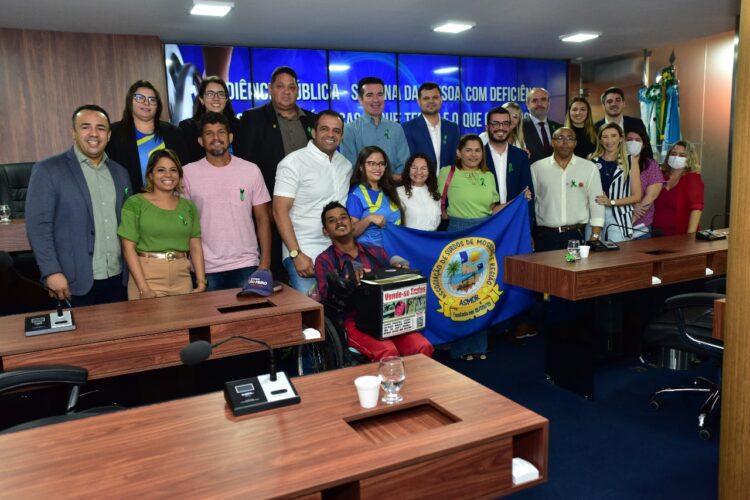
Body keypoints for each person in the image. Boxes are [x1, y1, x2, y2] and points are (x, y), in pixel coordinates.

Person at [26, 105, 132, 306]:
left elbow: (128, 226)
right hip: (72, 282)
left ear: (108, 135)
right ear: (73, 133)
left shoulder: (120, 173)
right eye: (85, 127)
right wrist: (51, 271)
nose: (94, 134)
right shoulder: (48, 170)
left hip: (118, 281)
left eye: (101, 128)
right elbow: (38, 227)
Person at [314, 201, 433, 361]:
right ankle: (392, 386)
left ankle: (416, 386)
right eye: (332, 220)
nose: (339, 222)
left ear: (351, 222)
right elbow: (326, 297)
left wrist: (399, 269)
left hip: (387, 319)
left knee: (422, 346)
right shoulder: (324, 260)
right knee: (387, 351)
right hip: (352, 321)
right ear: (325, 231)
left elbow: (393, 279)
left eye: (343, 217)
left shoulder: (375, 251)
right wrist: (345, 283)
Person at [234, 66, 316, 282]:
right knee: (274, 270)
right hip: (269, 204)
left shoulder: (311, 121)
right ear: (269, 89)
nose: (286, 91)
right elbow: (244, 164)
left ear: (298, 90)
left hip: (307, 209)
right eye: (280, 86)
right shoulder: (252, 119)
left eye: (291, 87)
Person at [182, 112, 271, 290]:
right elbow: (183, 223)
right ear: (201, 141)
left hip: (247, 265)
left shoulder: (251, 170)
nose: (216, 137)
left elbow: (263, 219)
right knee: (211, 319)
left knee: (250, 317)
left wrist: (265, 263)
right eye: (209, 133)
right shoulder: (187, 174)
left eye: (221, 132)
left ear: (230, 137)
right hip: (205, 268)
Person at [273, 110, 352, 295]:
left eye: (336, 130)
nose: (331, 134)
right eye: (324, 129)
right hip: (303, 252)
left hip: (337, 253)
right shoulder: (293, 163)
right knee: (311, 313)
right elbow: (279, 211)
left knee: (338, 314)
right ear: (314, 132)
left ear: (341, 135)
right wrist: (296, 254)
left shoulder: (345, 165)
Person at [438, 134, 501, 360]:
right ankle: (461, 348)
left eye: (477, 150)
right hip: (457, 234)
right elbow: (435, 200)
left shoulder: (488, 176)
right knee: (459, 292)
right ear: (459, 153)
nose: (473, 154)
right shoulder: (447, 173)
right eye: (468, 150)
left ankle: (479, 346)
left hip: (484, 236)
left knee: (481, 292)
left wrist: (519, 201)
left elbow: (493, 208)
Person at [118, 149, 205, 299]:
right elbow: (127, 247)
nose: (168, 175)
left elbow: (195, 245)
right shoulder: (135, 203)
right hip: (147, 280)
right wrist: (143, 288)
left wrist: (201, 281)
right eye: (161, 170)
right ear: (150, 175)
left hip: (182, 279)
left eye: (173, 170)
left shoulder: (188, 206)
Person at [106, 80, 188, 193]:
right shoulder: (114, 133)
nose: (146, 103)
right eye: (140, 98)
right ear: (130, 102)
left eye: (152, 100)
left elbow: (184, 170)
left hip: (170, 200)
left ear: (158, 106)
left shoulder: (174, 133)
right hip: (131, 202)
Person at [531, 127, 604, 251]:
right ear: (552, 142)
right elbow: (531, 203)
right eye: (560, 138)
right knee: (546, 270)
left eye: (570, 138)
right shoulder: (537, 168)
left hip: (576, 235)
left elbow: (596, 202)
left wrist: (595, 235)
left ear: (575, 143)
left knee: (573, 268)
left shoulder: (589, 168)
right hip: (545, 236)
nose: (565, 142)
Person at [341, 76, 410, 178]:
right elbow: (350, 168)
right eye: (369, 95)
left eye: (380, 94)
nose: (376, 100)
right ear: (360, 99)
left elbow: (404, 164)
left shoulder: (396, 128)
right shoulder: (350, 129)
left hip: (394, 189)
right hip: (362, 190)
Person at [588, 123, 642, 242]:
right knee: (591, 254)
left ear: (621, 138)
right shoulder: (592, 159)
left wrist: (611, 202)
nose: (609, 140)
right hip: (594, 214)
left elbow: (637, 196)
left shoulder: (630, 160)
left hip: (619, 216)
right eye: (605, 137)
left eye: (613, 136)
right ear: (600, 140)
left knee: (617, 256)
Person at [484, 106, 534, 224]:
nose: (501, 128)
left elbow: (528, 196)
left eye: (505, 123)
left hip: (514, 224)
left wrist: (527, 230)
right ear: (487, 127)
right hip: (484, 224)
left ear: (510, 127)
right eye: (495, 124)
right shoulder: (478, 157)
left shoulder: (521, 157)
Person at [346, 146, 404, 247]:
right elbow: (351, 232)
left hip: (393, 250)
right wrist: (369, 219)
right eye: (371, 163)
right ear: (361, 167)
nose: (377, 168)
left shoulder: (388, 189)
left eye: (381, 164)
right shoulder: (356, 195)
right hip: (371, 255)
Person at [179, 76, 239, 163]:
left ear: (226, 99)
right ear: (201, 99)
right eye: (210, 94)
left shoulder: (238, 126)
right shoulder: (188, 128)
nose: (216, 98)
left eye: (221, 94)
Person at [401, 82, 460, 171]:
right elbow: (407, 162)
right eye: (426, 98)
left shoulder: (452, 128)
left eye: (435, 97)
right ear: (419, 102)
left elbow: (455, 160)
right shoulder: (407, 128)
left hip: (448, 183)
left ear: (441, 100)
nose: (431, 101)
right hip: (419, 182)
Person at [653, 140, 704, 236]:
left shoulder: (692, 178)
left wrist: (690, 236)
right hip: (656, 234)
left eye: (682, 155)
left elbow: (696, 209)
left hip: (680, 236)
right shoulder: (661, 176)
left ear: (689, 159)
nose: (676, 157)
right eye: (673, 153)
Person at [627, 129, 664, 238]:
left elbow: (651, 195)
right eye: (629, 140)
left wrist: (631, 220)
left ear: (643, 145)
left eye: (637, 140)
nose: (633, 142)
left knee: (640, 255)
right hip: (615, 223)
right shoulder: (614, 164)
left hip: (641, 226)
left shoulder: (650, 165)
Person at [396, 154, 441, 231]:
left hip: (431, 239)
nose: (418, 172)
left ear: (429, 171)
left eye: (423, 168)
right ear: (408, 170)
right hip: (408, 239)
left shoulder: (434, 192)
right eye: (414, 168)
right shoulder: (398, 192)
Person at [522, 87, 562, 164]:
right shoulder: (519, 128)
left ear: (548, 103)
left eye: (543, 100)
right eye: (535, 100)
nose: (539, 104)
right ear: (527, 104)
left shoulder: (559, 128)